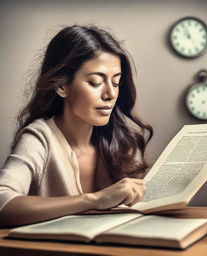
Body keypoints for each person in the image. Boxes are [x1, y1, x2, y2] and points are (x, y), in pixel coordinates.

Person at [0, 25, 153, 227]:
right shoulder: (39, 138)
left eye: (116, 83)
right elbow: (3, 202)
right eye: (96, 82)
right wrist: (95, 200)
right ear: (62, 86)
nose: (110, 94)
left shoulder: (123, 141)